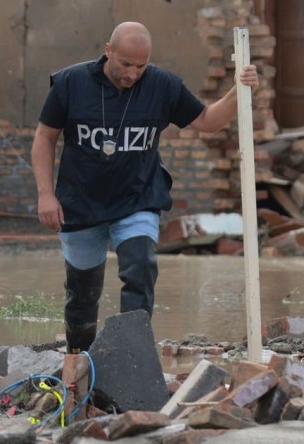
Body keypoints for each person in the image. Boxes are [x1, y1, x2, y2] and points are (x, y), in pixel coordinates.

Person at [31, 21, 259, 352]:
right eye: (125, 64)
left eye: (141, 65)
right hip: (80, 202)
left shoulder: (162, 85)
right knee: (82, 294)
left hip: (136, 198)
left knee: (140, 267)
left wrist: (239, 90)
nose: (133, 74)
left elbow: (208, 122)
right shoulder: (71, 82)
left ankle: (131, 353)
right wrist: (45, 195)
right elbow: (44, 138)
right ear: (108, 51)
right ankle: (78, 360)